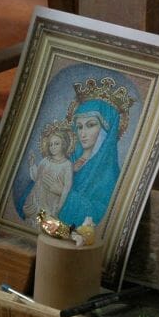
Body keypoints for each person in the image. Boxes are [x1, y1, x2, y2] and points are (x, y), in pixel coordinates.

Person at [57, 93, 124, 228]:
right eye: (80, 127)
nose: (82, 133)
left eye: (91, 125)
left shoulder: (110, 173)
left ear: (106, 130)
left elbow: (100, 215)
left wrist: (64, 194)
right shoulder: (69, 160)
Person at [22, 121, 74, 219]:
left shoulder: (67, 165)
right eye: (50, 144)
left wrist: (59, 207)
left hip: (51, 202)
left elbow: (67, 189)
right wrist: (32, 164)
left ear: (64, 144)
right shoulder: (45, 160)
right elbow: (36, 177)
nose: (53, 147)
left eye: (56, 144)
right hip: (36, 199)